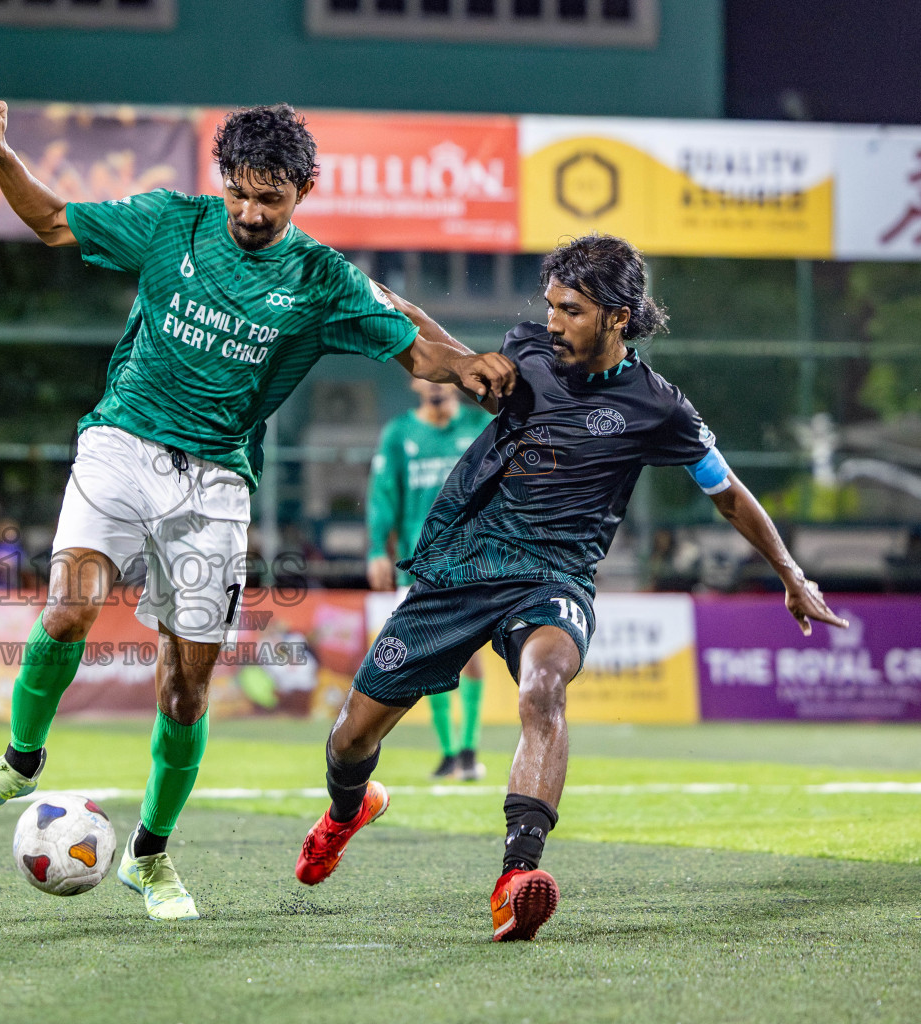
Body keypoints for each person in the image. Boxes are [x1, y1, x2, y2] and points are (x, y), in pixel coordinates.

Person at [0, 98, 515, 922]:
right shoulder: (172, 224)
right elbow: (57, 222)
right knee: (68, 608)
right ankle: (19, 764)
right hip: (122, 440)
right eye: (240, 192)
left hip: (215, 482)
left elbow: (409, 337)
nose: (250, 212)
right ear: (223, 182)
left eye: (269, 198)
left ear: (303, 192)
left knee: (185, 691)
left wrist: (466, 366)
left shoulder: (320, 279)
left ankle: (149, 857)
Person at [294, 234, 848, 942]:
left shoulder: (658, 407)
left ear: (618, 316)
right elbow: (427, 333)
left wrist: (791, 575)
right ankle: (347, 812)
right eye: (550, 305)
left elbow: (727, 491)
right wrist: (362, 286)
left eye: (571, 309)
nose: (553, 321)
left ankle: (516, 876)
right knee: (348, 741)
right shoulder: (525, 353)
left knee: (543, 686)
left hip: (554, 578)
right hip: (464, 566)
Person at [366, 378, 491, 781]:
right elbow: (383, 494)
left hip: (470, 556)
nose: (436, 385)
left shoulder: (478, 426)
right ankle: (449, 751)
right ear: (415, 382)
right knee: (430, 653)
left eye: (444, 378)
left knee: (470, 653)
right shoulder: (400, 433)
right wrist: (375, 550)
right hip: (418, 559)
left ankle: (468, 749)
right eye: (428, 377)